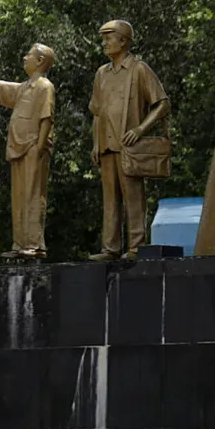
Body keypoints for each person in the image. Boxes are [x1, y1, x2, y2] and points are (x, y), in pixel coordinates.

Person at [88, 20, 170, 261]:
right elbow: (96, 112)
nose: (104, 43)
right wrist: (95, 143)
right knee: (110, 200)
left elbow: (162, 103)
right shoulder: (101, 74)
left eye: (108, 38)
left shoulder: (139, 69)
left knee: (133, 198)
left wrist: (141, 129)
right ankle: (110, 248)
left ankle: (136, 246)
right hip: (106, 145)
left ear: (123, 41)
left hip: (129, 146)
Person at [0, 43, 55, 260]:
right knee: (18, 197)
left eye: (30, 54)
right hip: (18, 147)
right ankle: (20, 243)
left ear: (40, 61)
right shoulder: (24, 87)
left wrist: (39, 146)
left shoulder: (45, 86)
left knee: (33, 195)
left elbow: (47, 118)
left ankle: (34, 244)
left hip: (34, 146)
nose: (24, 57)